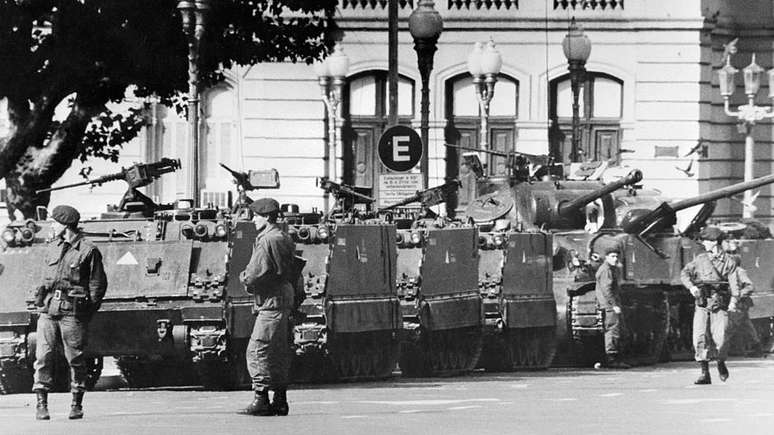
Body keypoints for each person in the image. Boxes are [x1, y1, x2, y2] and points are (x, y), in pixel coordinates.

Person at [32, 205, 107, 420]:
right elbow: (43, 277)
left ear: (65, 225)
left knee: (75, 358)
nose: (52, 226)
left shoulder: (87, 250)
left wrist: (86, 311)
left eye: (55, 222)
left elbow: (97, 285)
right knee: (42, 356)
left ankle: (76, 403)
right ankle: (41, 403)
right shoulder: (52, 246)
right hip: (48, 309)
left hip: (72, 312)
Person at [238, 198, 297, 416]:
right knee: (278, 351)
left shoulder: (266, 240)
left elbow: (255, 273)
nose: (253, 219)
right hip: (283, 298)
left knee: (257, 350)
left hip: (271, 301)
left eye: (256, 215)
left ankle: (261, 399)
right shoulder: (282, 237)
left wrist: (243, 277)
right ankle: (280, 400)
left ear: (267, 217)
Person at [681, 226, 752, 384]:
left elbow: (734, 285)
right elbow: (685, 273)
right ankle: (704, 372)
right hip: (702, 303)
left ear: (713, 242)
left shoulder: (729, 262)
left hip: (719, 303)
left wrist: (733, 301)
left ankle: (720, 362)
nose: (703, 244)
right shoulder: (700, 259)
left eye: (705, 241)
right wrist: (692, 287)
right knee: (699, 337)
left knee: (721, 338)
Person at [722, 239, 764, 357]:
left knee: (728, 328)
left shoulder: (739, 272)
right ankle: (757, 348)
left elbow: (750, 286)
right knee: (747, 326)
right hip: (737, 304)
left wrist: (738, 295)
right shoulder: (726, 272)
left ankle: (722, 350)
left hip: (739, 304)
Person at [595, 246, 630, 369]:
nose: (615, 259)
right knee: (613, 330)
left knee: (614, 330)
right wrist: (614, 305)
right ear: (606, 257)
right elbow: (607, 289)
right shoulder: (606, 270)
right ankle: (611, 358)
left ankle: (610, 358)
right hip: (609, 306)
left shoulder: (608, 269)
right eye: (612, 256)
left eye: (616, 256)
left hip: (608, 304)